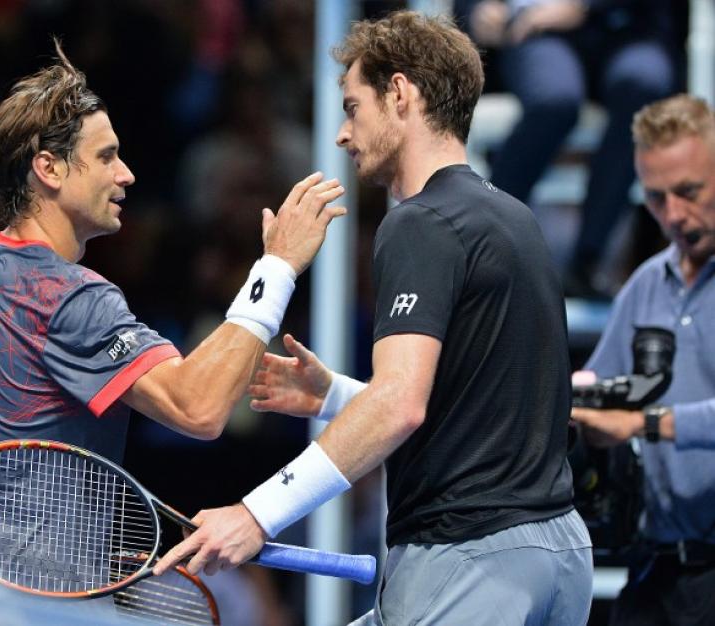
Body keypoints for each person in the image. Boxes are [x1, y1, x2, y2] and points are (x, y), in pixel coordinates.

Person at [155, 10, 593, 625]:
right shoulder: (515, 219)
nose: (341, 133)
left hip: (468, 560)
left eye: (352, 107)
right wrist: (333, 394)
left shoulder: (418, 223)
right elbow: (479, 412)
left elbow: (399, 406)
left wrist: (256, 515)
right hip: (558, 557)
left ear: (399, 93)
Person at [0, 39, 346, 598]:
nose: (126, 175)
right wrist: (278, 267)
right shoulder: (69, 297)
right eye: (105, 156)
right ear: (47, 168)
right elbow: (199, 406)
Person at [571, 94, 715, 625]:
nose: (674, 214)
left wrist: (641, 423)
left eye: (690, 191)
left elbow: (633, 418)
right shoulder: (645, 286)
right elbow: (597, 388)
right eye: (656, 198)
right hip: (654, 573)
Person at [453, 0, 676, 298]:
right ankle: (482, 244)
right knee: (554, 101)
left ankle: (588, 259)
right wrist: (478, 10)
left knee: (642, 84)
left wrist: (582, 6)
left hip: (630, 26)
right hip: (536, 32)